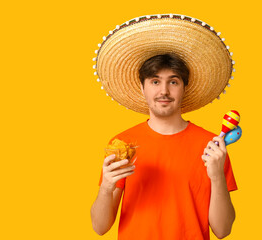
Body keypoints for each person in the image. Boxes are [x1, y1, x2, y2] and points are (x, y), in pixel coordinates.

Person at [90, 14, 238, 240]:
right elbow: (100, 227)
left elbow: (223, 230)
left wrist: (217, 175)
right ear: (142, 88)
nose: (164, 92)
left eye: (174, 81)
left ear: (184, 88)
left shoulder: (212, 148)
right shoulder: (122, 144)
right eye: (155, 81)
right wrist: (106, 187)